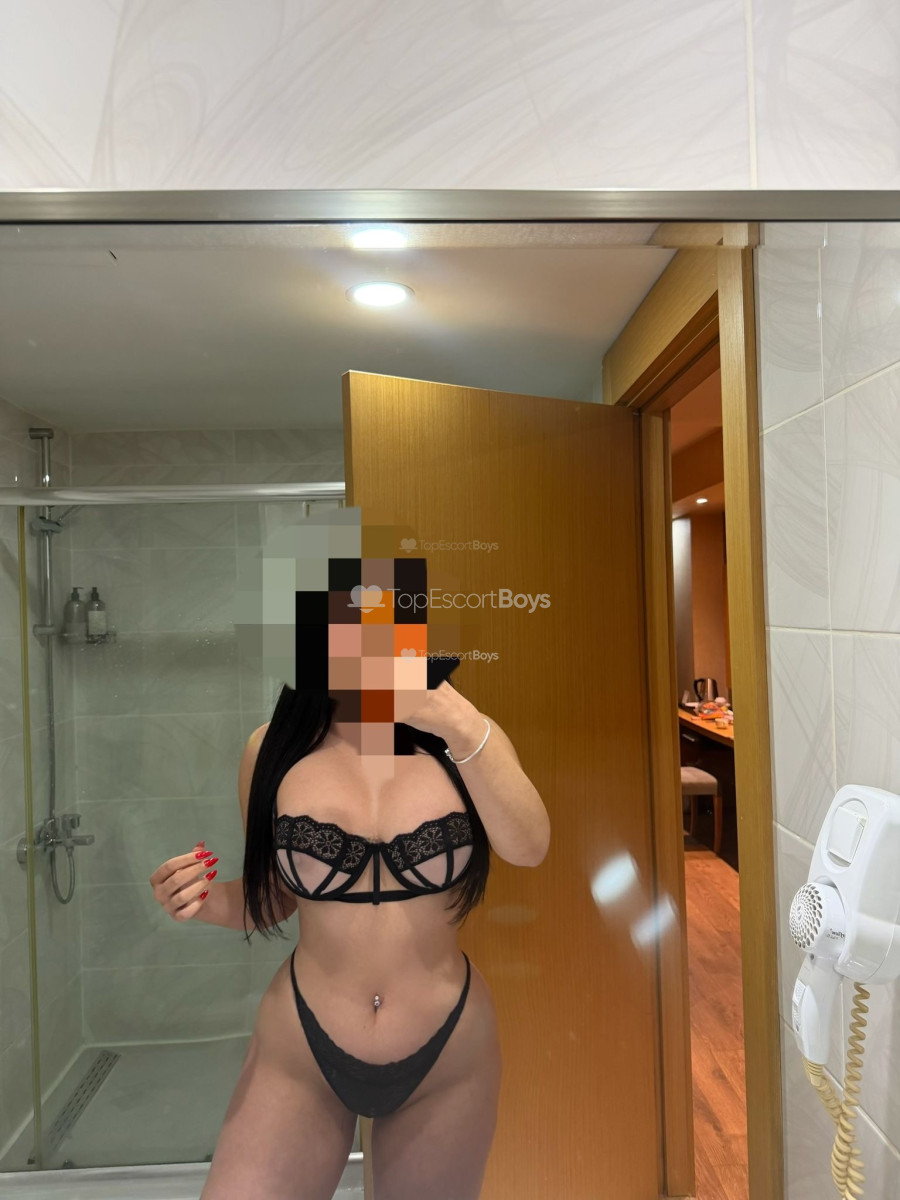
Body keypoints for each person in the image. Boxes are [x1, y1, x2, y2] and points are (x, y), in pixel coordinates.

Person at [150, 596, 549, 1200]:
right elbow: (275, 900)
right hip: (300, 1048)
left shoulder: (464, 742)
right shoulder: (271, 750)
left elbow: (529, 847)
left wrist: (464, 725)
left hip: (447, 1053)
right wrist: (201, 901)